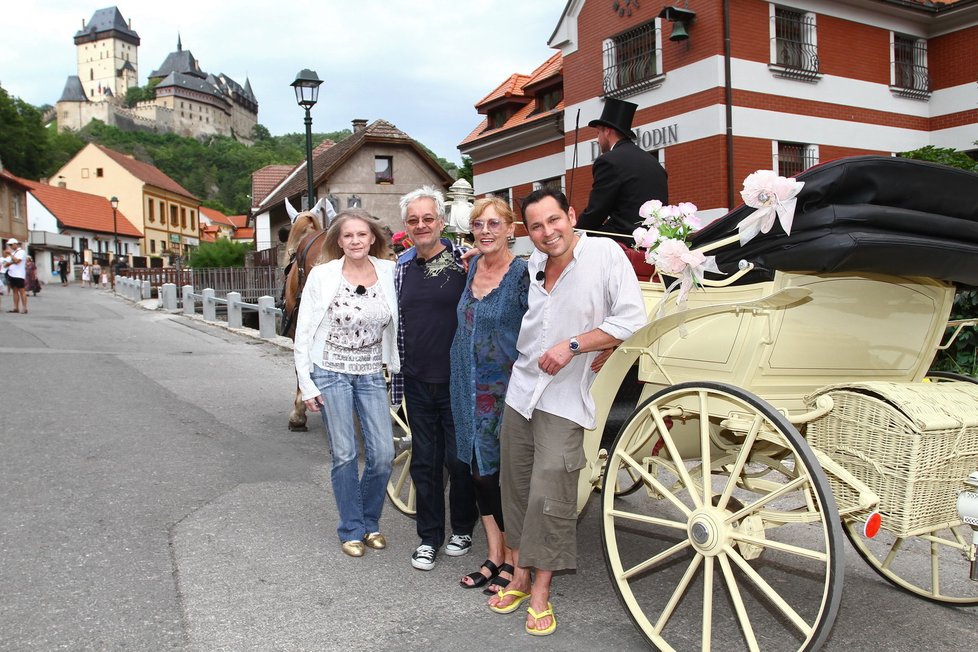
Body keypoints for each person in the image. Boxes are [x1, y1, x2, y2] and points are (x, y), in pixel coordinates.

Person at [488, 187, 646, 636]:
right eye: (536, 226)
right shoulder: (533, 266)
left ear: (571, 215)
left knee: (549, 493)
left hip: (566, 395)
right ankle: (518, 576)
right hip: (522, 391)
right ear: (528, 232)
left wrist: (577, 344)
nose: (547, 232)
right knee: (515, 488)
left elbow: (631, 318)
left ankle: (540, 592)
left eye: (554, 220)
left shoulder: (604, 255)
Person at [292, 209, 399, 558]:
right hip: (330, 370)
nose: (356, 241)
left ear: (373, 239)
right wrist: (306, 384)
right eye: (348, 236)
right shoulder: (322, 276)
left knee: (383, 454)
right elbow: (304, 330)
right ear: (338, 241)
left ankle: (370, 521)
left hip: (369, 372)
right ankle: (352, 527)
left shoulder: (389, 271)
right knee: (344, 453)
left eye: (362, 235)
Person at [393, 186, 479, 571]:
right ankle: (429, 537)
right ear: (406, 227)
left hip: (458, 379)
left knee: (460, 461)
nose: (421, 225)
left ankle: (463, 526)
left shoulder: (464, 262)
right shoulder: (400, 268)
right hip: (416, 378)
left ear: (441, 221)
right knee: (425, 462)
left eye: (428, 218)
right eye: (413, 220)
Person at [449, 197, 529, 593]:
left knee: (496, 476)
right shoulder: (471, 265)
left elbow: (539, 328)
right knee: (473, 470)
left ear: (511, 229)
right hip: (464, 381)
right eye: (479, 224)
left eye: (494, 224)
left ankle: (514, 558)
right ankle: (495, 553)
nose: (485, 231)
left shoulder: (523, 274)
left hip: (503, 389)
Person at [576, 97, 668, 248]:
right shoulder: (654, 163)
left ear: (607, 131)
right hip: (655, 242)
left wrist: (575, 233)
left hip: (623, 241)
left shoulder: (608, 161)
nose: (598, 139)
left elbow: (596, 212)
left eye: (598, 133)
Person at [4, 239, 29, 314]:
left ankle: (24, 308)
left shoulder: (21, 252)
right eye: (9, 245)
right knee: (14, 291)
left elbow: (17, 261)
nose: (10, 246)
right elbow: (9, 262)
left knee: (22, 291)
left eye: (11, 245)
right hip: (12, 274)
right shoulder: (14, 252)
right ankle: (16, 307)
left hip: (19, 275)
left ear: (16, 244)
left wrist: (10, 255)